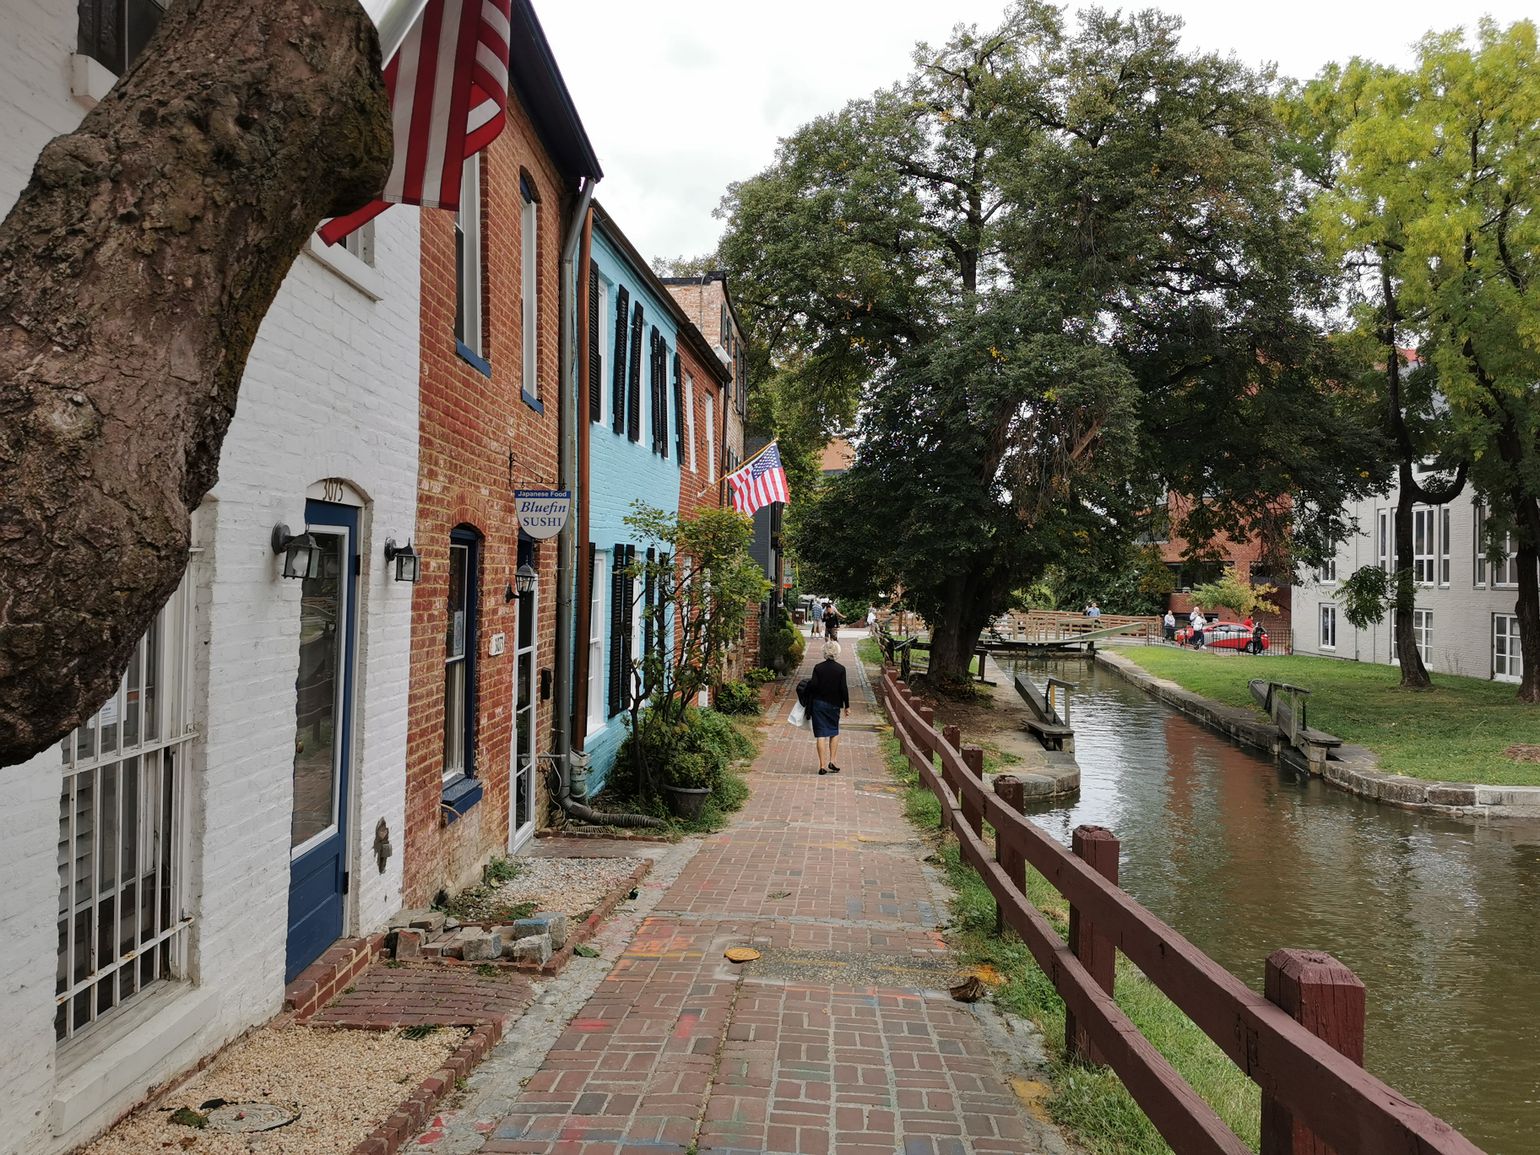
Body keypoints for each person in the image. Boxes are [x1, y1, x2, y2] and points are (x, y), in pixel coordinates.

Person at [807, 640, 851, 775]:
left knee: (820, 734)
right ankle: (832, 761)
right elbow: (844, 688)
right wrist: (847, 706)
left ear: (824, 652)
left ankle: (821, 766)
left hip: (819, 703)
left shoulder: (818, 668)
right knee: (833, 731)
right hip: (834, 704)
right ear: (837, 652)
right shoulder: (841, 669)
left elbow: (813, 686)